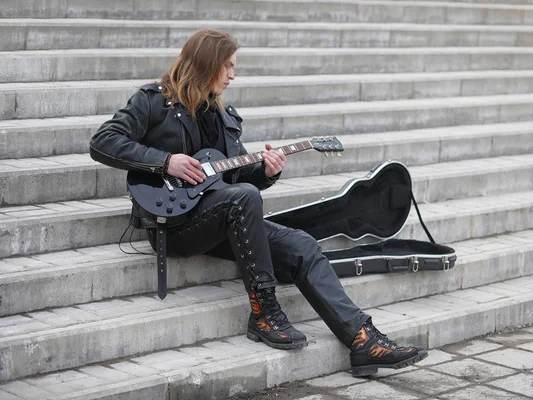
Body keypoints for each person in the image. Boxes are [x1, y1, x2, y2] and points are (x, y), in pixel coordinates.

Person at [89, 29, 428, 377]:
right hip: (174, 225)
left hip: (222, 215)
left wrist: (266, 172)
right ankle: (264, 311)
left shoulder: (226, 117)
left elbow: (234, 181)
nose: (233, 75)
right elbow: (102, 141)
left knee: (302, 244)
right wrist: (165, 162)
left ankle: (362, 341)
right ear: (207, 63)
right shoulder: (153, 101)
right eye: (228, 66)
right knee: (244, 200)